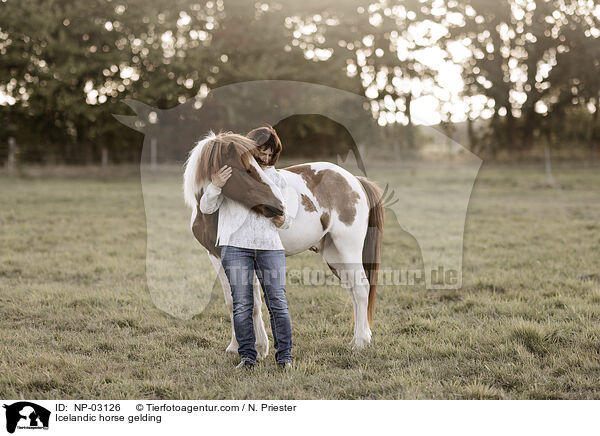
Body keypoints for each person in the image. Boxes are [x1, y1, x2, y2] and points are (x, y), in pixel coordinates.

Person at [199, 127, 293, 370]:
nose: (265, 158)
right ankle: (248, 357)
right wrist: (215, 185)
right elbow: (207, 208)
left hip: (269, 247)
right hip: (236, 246)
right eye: (261, 151)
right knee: (242, 304)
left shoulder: (276, 177)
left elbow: (287, 212)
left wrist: (284, 220)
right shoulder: (233, 173)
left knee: (278, 303)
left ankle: (284, 358)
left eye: (270, 154)